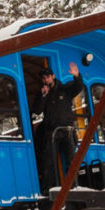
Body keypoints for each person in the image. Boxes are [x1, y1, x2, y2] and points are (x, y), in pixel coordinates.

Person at [32, 62, 84, 194]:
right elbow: (36, 111)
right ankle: (50, 188)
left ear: (53, 76)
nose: (46, 79)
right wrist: (43, 96)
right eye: (43, 78)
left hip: (67, 130)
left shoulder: (64, 89)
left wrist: (77, 76)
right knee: (48, 161)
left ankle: (73, 186)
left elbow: (78, 87)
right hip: (52, 132)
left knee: (71, 160)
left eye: (48, 77)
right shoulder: (43, 94)